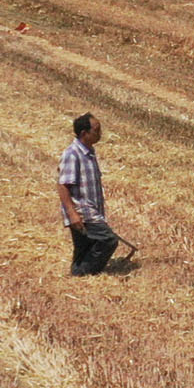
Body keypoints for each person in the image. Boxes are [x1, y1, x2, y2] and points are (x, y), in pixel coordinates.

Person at [56, 112, 132, 275]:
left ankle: (78, 272)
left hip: (92, 209)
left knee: (84, 248)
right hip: (83, 212)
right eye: (96, 130)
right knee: (108, 240)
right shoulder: (72, 154)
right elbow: (63, 185)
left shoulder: (89, 152)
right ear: (84, 133)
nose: (100, 134)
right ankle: (84, 275)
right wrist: (72, 214)